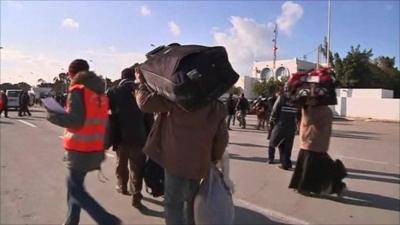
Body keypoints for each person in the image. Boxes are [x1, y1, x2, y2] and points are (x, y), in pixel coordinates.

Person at [134, 67, 228, 225]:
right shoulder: (216, 105)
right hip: (200, 163)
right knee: (191, 203)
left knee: (173, 205)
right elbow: (222, 138)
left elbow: (145, 103)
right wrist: (214, 158)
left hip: (176, 162)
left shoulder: (177, 98)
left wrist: (141, 83)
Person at [47, 59, 121, 225]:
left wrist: (53, 114)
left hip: (80, 150)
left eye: (69, 73)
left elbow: (75, 120)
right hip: (95, 149)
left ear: (73, 74)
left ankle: (107, 220)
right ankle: (71, 221)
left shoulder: (78, 91)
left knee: (75, 189)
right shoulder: (99, 93)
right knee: (75, 188)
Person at [107, 66, 154, 209]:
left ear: (121, 78)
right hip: (140, 135)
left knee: (121, 163)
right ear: (133, 77)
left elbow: (104, 111)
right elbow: (149, 116)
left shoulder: (113, 91)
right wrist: (150, 134)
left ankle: (122, 185)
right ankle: (136, 194)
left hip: (120, 136)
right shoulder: (142, 91)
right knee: (137, 167)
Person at [289, 99, 347, 196]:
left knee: (310, 168)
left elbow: (308, 120)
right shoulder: (326, 109)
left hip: (312, 143)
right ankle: (337, 186)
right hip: (317, 143)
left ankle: (336, 187)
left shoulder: (315, 110)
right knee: (319, 167)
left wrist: (305, 107)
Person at [267, 86, 299, 169]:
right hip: (291, 126)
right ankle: (286, 163)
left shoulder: (282, 98)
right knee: (287, 145)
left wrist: (271, 121)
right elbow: (299, 114)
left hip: (280, 125)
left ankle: (271, 158)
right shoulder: (296, 100)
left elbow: (275, 110)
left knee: (272, 142)